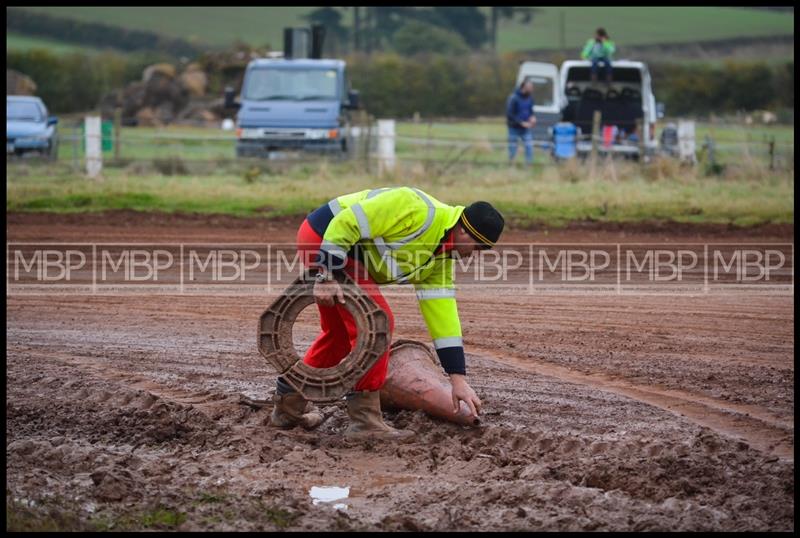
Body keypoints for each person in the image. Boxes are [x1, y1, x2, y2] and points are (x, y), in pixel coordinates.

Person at [271, 187, 505, 441]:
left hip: (343, 252)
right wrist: (326, 274)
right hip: (326, 239)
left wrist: (458, 378)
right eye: (478, 247)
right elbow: (346, 222)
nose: (475, 255)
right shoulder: (416, 209)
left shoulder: (441, 259)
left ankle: (287, 407)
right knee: (377, 323)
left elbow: (443, 317)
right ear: (464, 231)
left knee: (338, 335)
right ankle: (365, 422)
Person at [506, 79, 536, 166]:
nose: (532, 89)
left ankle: (528, 166)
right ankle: (511, 165)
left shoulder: (530, 98)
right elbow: (510, 114)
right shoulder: (513, 98)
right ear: (524, 87)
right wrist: (521, 122)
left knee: (529, 146)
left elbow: (530, 111)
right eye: (530, 87)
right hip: (514, 128)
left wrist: (532, 117)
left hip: (526, 129)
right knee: (512, 148)